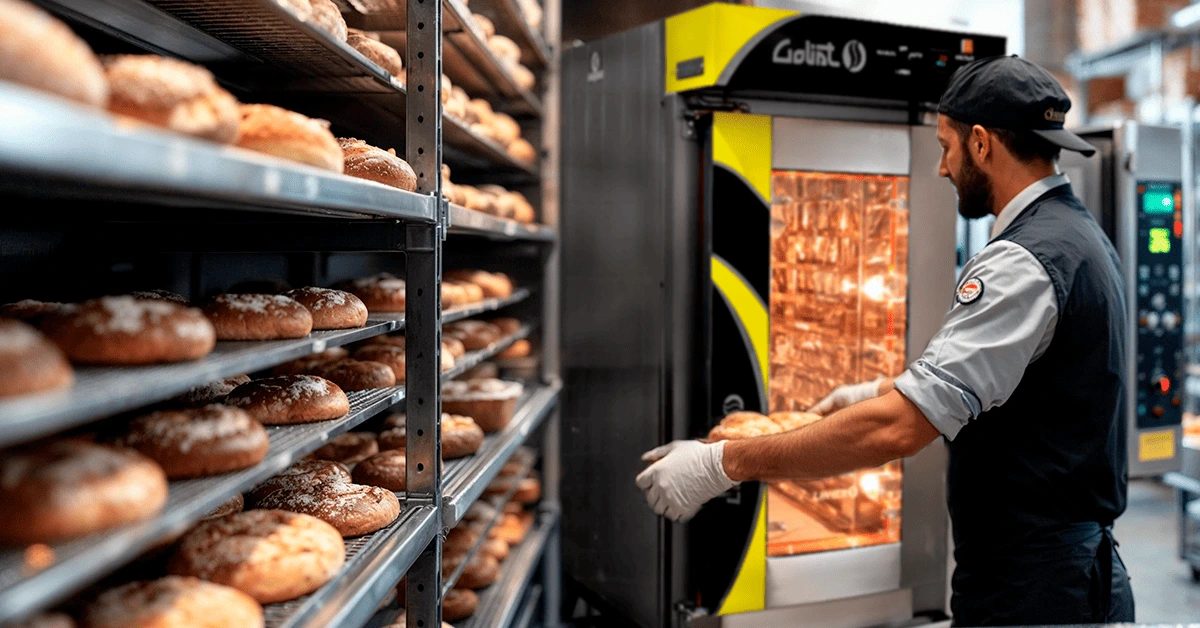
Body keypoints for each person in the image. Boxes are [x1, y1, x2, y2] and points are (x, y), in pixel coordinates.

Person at [635, 56, 1134, 626]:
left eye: (945, 147)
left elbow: (900, 427)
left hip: (1037, 591)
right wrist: (878, 388)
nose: (942, 169)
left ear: (980, 144)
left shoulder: (1023, 261)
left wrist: (722, 464)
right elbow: (1029, 384)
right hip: (1067, 577)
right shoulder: (1075, 236)